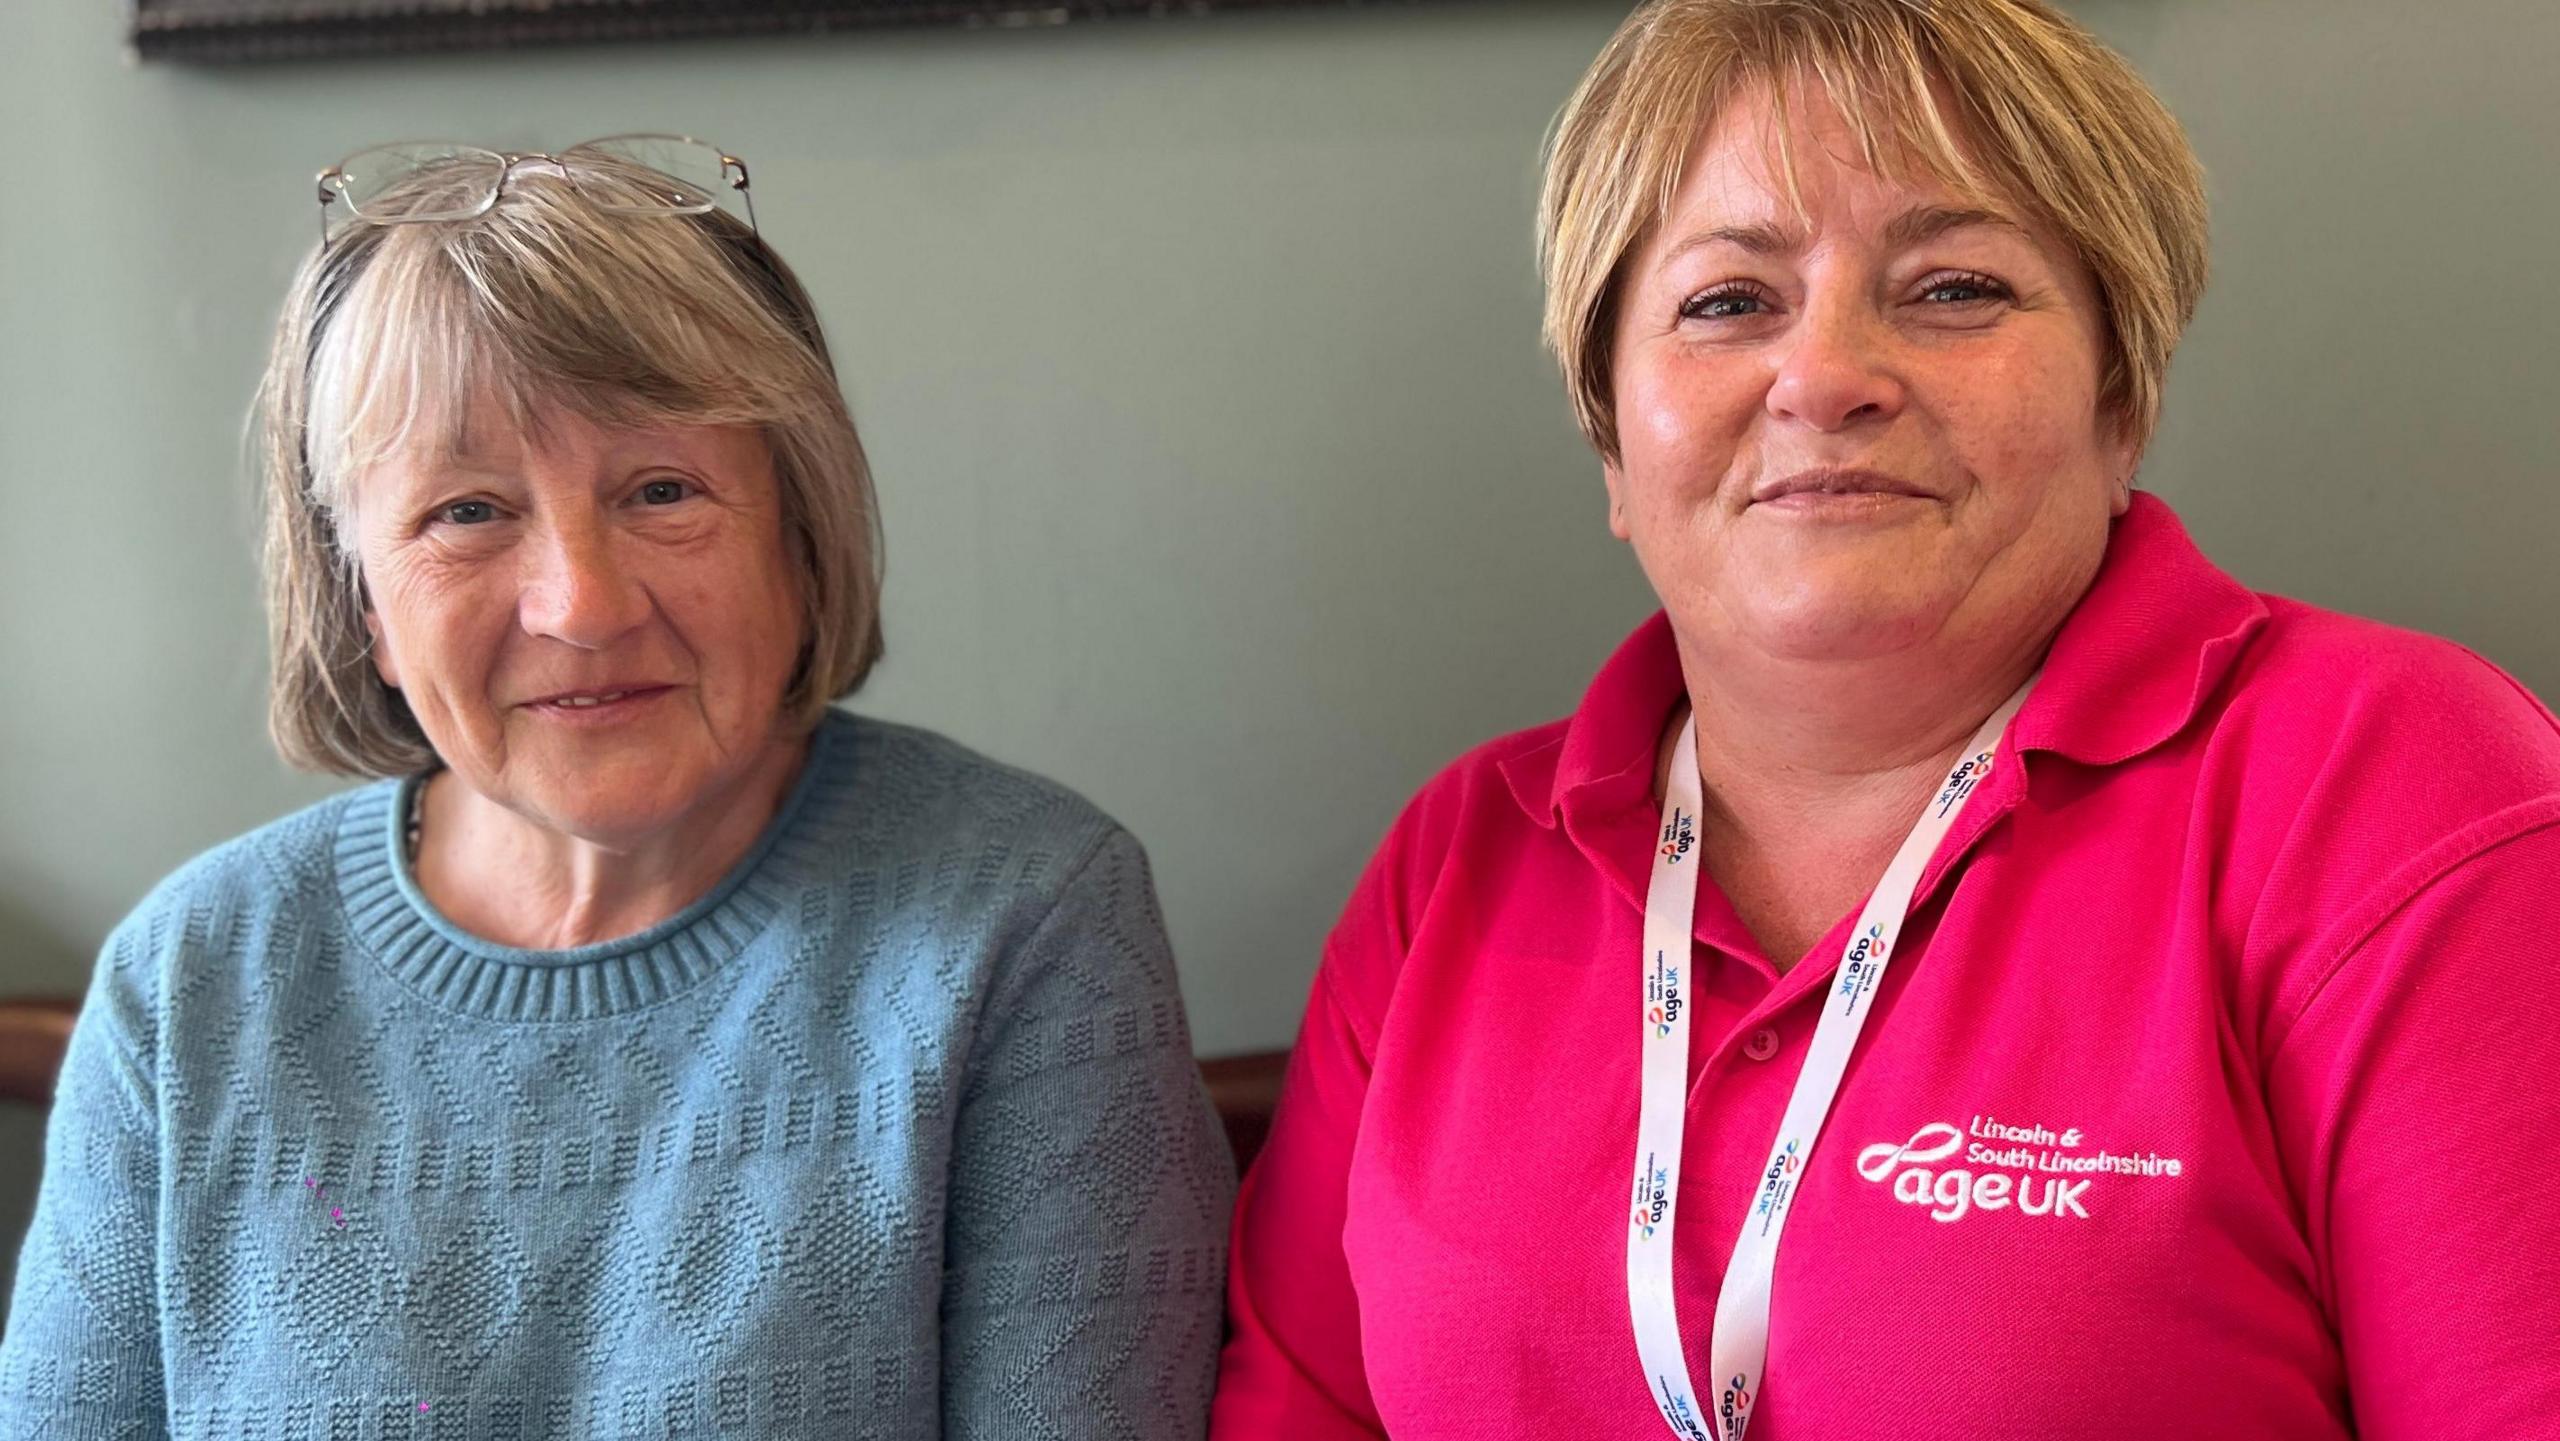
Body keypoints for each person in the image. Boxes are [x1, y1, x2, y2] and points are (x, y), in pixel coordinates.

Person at [1211, 3, 2560, 1438]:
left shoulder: (2397, 791)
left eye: (1957, 286)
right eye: (1729, 301)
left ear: (2122, 403)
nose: (1829, 375)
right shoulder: (1455, 865)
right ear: (1611, 441)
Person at [0, 138, 1232, 1437]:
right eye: (467, 511)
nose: (581, 604)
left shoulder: (1028, 916)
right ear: (361, 597)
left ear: (798, 548)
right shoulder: (187, 981)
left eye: (661, 490)